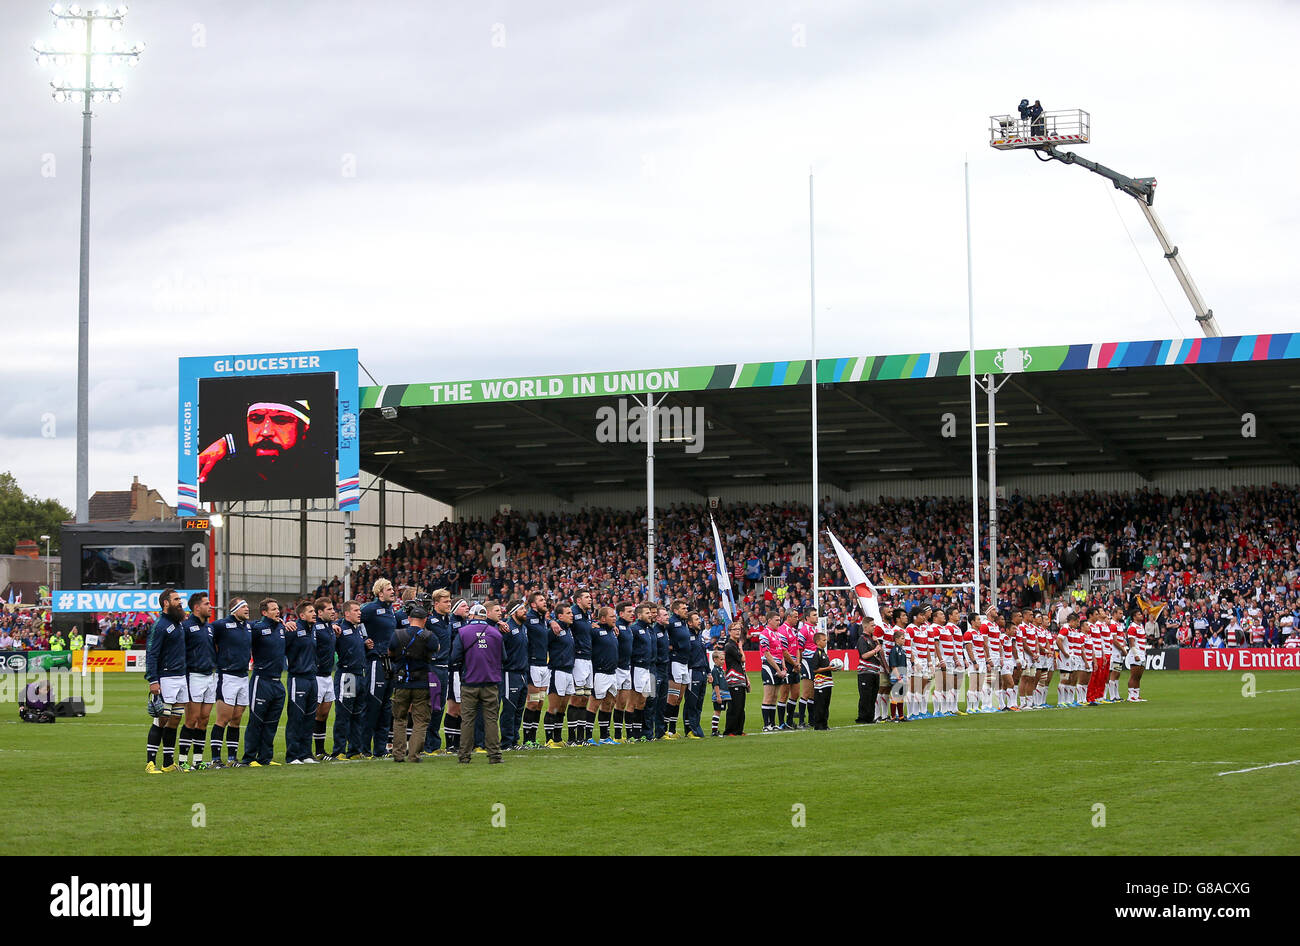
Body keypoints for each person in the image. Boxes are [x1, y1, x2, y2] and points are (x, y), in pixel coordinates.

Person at [196, 387, 334, 501]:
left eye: (281, 420)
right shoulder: (220, 471)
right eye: (256, 419)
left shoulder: (323, 472)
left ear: (304, 428)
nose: (266, 431)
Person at [452, 600, 506, 764]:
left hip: (469, 682)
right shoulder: (496, 633)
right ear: (484, 616)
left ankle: (464, 755)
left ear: (472, 615)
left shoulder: (462, 632)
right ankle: (495, 755)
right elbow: (504, 657)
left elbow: (454, 657)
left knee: (468, 719)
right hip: (490, 682)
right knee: (491, 719)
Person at [360, 579, 405, 758]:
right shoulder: (370, 609)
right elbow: (353, 621)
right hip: (376, 662)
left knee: (386, 707)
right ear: (380, 593)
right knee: (372, 706)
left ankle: (379, 749)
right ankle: (364, 748)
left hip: (391, 663)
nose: (393, 591)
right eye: (389, 589)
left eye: (393, 589)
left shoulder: (391, 611)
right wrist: (364, 639)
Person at [144, 588, 188, 774]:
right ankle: (150, 763)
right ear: (166, 603)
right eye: (176, 599)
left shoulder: (178, 624)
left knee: (175, 720)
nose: (180, 602)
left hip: (181, 677)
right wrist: (153, 680)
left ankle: (168, 762)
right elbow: (151, 653)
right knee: (161, 720)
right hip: (167, 677)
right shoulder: (160, 625)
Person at [241, 598, 287, 767]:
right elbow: (244, 634)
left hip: (277, 681)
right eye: (273, 609)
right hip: (261, 681)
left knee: (271, 722)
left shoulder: (282, 628)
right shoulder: (258, 628)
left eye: (278, 609)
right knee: (256, 721)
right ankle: (249, 758)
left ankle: (265, 757)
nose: (277, 612)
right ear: (264, 612)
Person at [388, 604, 436, 762]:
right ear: (425, 620)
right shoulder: (429, 636)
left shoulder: (398, 634)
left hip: (401, 682)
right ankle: (414, 755)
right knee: (420, 721)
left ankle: (398, 754)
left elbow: (391, 652)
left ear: (409, 619)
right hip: (422, 683)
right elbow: (436, 649)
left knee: (399, 719)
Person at [211, 599, 252, 767]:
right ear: (234, 610)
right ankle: (215, 759)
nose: (247, 608)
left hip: (243, 677)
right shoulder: (221, 625)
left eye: (247, 605)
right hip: (226, 677)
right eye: (243, 606)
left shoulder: (248, 626)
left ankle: (232, 759)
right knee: (223, 718)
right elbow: (206, 637)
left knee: (236, 719)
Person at [178, 592, 217, 770]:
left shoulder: (209, 627)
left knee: (204, 719)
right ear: (196, 607)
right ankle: (182, 761)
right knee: (191, 719)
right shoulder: (185, 627)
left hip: (210, 676)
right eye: (207, 604)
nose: (210, 607)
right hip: (194, 676)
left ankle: (198, 761)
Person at [331, 599, 372, 759]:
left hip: (360, 675)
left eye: (359, 610)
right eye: (355, 610)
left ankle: (354, 750)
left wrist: (365, 644)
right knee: (344, 714)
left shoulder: (359, 630)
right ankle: (339, 750)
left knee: (358, 714)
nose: (359, 612)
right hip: (347, 676)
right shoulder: (339, 628)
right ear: (347, 613)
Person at [587, 605, 621, 745]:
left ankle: (604, 737)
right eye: (612, 616)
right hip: (599, 672)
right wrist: (590, 624)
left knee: (609, 704)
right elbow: (581, 629)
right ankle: (587, 736)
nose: (615, 618)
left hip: (612, 673)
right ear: (602, 618)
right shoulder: (595, 631)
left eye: (615, 616)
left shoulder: (612, 631)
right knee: (594, 704)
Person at [499, 600, 530, 750]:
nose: (525, 611)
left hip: (523, 673)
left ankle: (514, 741)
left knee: (519, 710)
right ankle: (506, 742)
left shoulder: (523, 628)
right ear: (513, 612)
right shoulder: (507, 628)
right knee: (509, 709)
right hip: (510, 673)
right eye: (522, 609)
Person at [311, 598, 338, 759]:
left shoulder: (330, 627)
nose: (332, 611)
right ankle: (305, 751)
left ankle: (320, 751)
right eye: (329, 609)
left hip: (328, 676)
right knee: (312, 714)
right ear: (319, 612)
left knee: (323, 715)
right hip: (316, 676)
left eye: (333, 608)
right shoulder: (314, 626)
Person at [855, 615, 884, 723]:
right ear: (866, 627)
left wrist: (878, 644)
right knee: (865, 696)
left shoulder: (873, 639)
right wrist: (875, 650)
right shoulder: (862, 639)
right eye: (872, 625)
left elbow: (880, 653)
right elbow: (864, 655)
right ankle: (862, 718)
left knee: (873, 696)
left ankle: (870, 717)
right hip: (865, 672)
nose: (874, 627)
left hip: (875, 671)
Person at [722, 622, 748, 736]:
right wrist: (741, 648)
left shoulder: (734, 645)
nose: (738, 631)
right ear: (729, 632)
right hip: (733, 679)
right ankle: (730, 730)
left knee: (741, 706)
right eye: (735, 629)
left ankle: (738, 730)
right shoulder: (729, 645)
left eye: (739, 629)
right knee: (734, 706)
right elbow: (742, 659)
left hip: (739, 678)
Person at [809, 632, 834, 730]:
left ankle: (825, 724)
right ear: (818, 642)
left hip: (827, 682)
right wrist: (828, 668)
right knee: (820, 704)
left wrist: (831, 668)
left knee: (826, 704)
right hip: (820, 684)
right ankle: (818, 725)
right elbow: (815, 669)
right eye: (824, 640)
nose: (826, 642)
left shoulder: (824, 652)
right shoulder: (817, 653)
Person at [887, 630, 908, 721]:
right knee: (895, 696)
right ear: (896, 639)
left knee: (901, 696)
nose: (904, 640)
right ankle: (893, 717)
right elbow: (893, 666)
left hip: (903, 675)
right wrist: (899, 678)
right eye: (902, 638)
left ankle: (901, 716)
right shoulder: (894, 650)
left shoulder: (903, 650)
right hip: (896, 676)